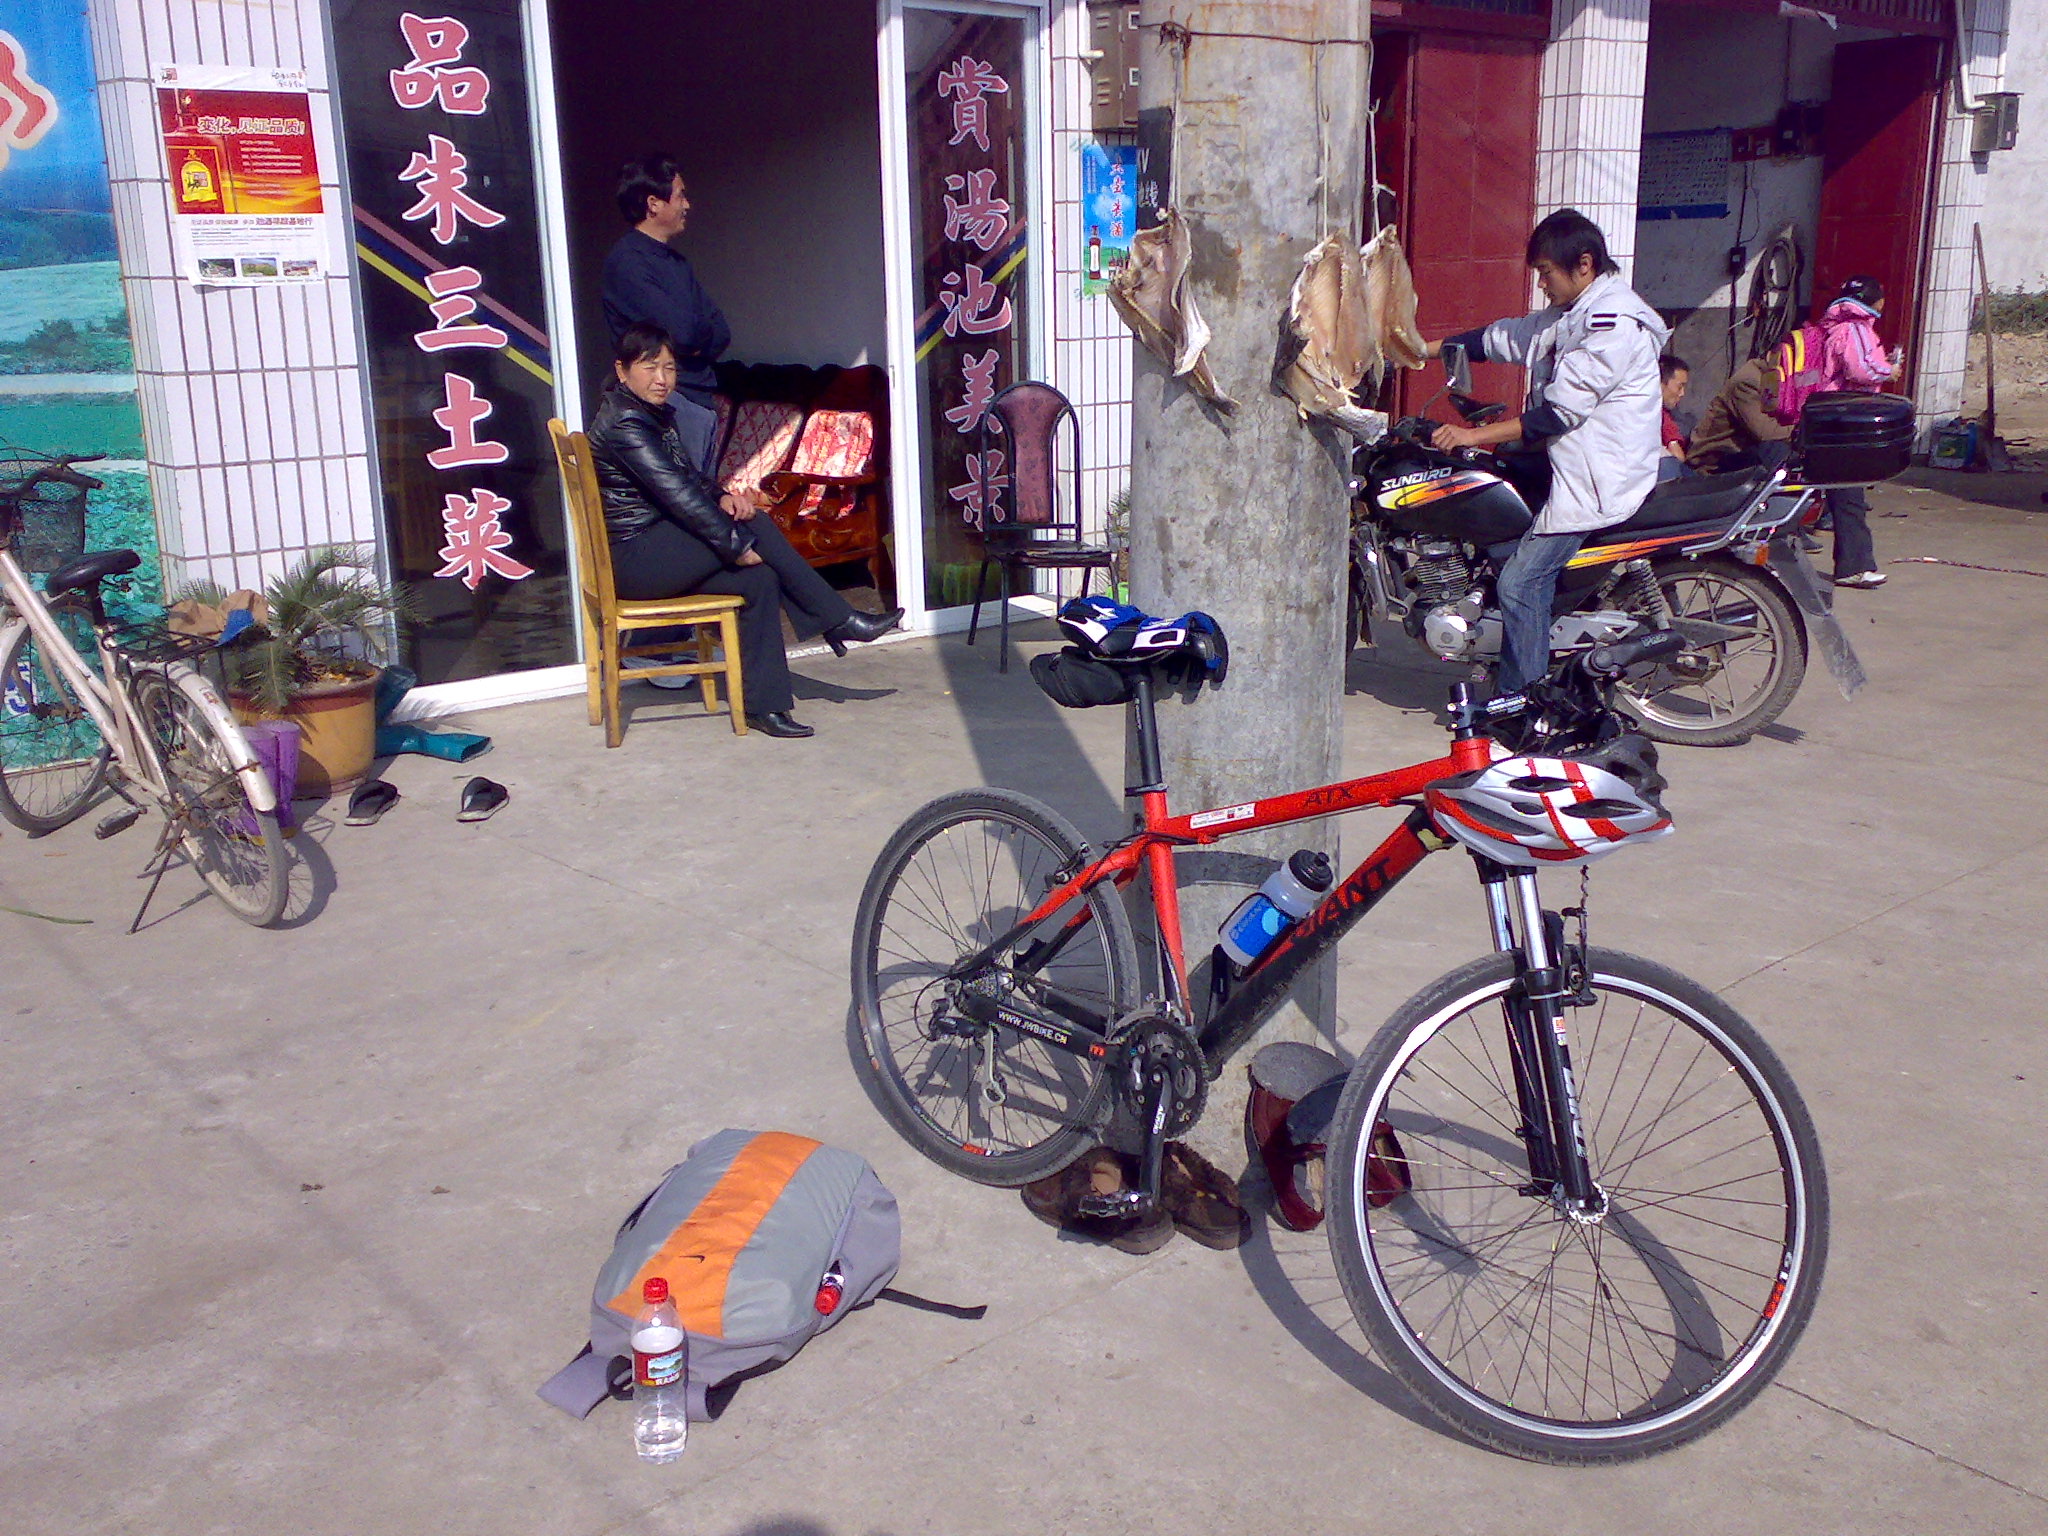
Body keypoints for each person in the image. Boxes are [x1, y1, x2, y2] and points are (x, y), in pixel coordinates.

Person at [586, 323, 903, 738]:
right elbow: (678, 495)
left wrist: (723, 496)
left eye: (669, 367)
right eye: (649, 367)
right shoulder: (626, 424)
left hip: (657, 546)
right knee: (753, 522)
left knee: (759, 578)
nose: (661, 378)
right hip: (636, 560)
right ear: (622, 370)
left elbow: (687, 478)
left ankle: (765, 707)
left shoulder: (647, 413)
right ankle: (837, 618)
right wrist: (735, 543)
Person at [1424, 209, 1668, 695]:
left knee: (1520, 584)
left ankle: (1524, 705)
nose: (1541, 284)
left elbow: (1558, 415)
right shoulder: (1571, 315)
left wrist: (1470, 436)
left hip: (1597, 478)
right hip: (1569, 462)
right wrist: (1418, 351)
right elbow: (1502, 338)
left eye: (1546, 272)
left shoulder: (1610, 324)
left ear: (1584, 264)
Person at [602, 156, 730, 474]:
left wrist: (695, 337)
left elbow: (721, 331)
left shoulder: (677, 263)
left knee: (699, 493)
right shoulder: (628, 263)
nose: (687, 205)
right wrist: (693, 336)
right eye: (680, 195)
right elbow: (682, 334)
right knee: (684, 496)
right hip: (666, 403)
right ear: (653, 203)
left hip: (697, 397)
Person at [1806, 275, 1894, 589]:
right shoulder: (1854, 327)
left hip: (1834, 416)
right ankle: (1854, 567)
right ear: (1875, 300)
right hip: (1845, 419)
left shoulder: (1838, 324)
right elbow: (1861, 370)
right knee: (1848, 494)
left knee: (1839, 492)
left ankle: (1851, 564)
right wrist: (1889, 370)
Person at [1684, 353, 1791, 474]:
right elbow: (1766, 433)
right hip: (1714, 461)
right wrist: (1801, 430)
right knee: (1776, 449)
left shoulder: (1781, 380)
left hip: (1740, 453)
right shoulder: (1748, 381)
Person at [1657, 354, 1691, 482]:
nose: (1682, 393)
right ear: (1660, 384)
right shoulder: (1657, 414)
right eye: (1679, 386)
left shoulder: (1665, 415)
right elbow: (1677, 455)